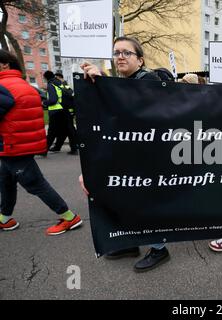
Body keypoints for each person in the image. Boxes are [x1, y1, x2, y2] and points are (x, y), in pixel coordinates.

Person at [80, 36, 171, 273]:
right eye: (116, 52)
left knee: (146, 204)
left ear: (140, 60)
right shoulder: (123, 83)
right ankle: (130, 242)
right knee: (125, 200)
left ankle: (159, 248)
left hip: (148, 159)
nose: (120, 56)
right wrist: (99, 84)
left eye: (126, 53)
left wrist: (104, 85)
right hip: (127, 157)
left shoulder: (148, 80)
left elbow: (135, 111)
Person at [0, 49, 82, 234]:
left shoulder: (3, 85)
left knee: (35, 183)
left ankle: (69, 217)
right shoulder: (22, 84)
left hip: (13, 144)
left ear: (5, 64)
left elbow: (50, 100)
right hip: (18, 142)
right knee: (5, 181)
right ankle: (5, 218)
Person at [42, 71, 78, 154]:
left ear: (46, 77)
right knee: (67, 130)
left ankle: (44, 150)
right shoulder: (61, 83)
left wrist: (44, 103)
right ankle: (73, 148)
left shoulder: (51, 85)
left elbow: (53, 100)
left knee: (52, 131)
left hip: (55, 111)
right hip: (65, 110)